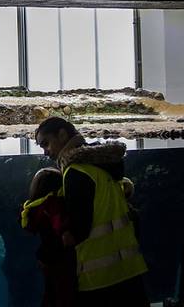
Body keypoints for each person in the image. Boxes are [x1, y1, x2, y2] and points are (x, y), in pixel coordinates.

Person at [35, 117, 148, 307]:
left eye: (46, 143)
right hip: (129, 268)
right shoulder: (102, 167)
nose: (46, 152)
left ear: (62, 134)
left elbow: (79, 229)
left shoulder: (75, 172)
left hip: (99, 277)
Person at [20, 167, 76, 307]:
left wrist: (43, 256)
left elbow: (52, 239)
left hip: (56, 263)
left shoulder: (44, 209)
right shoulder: (63, 204)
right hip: (69, 264)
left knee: (54, 295)